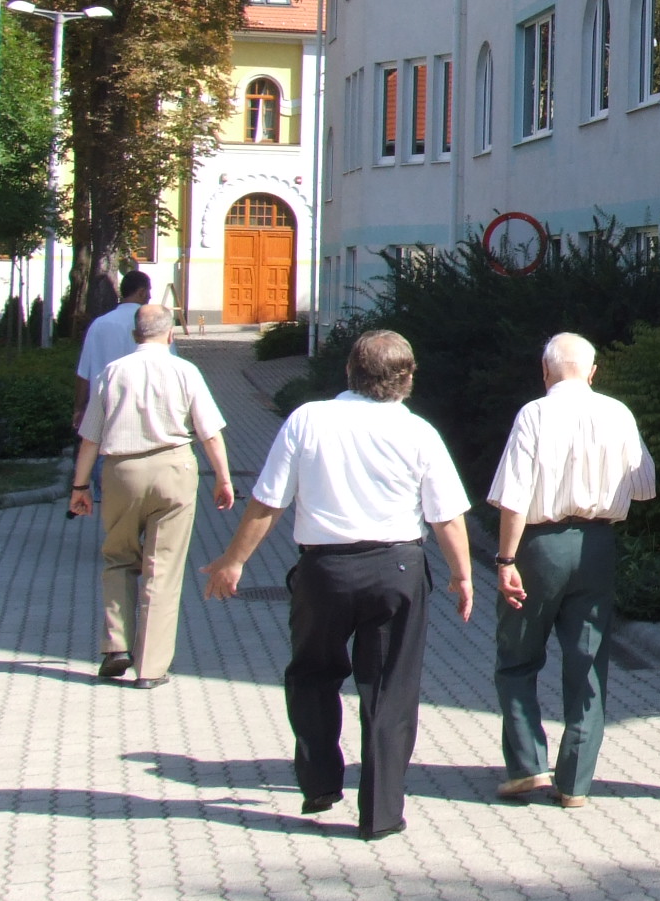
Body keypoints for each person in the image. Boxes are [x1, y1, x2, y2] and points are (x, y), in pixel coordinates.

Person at [199, 330, 473, 841]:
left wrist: (234, 561)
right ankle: (381, 814)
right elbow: (447, 516)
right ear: (408, 378)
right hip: (396, 570)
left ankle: (321, 780)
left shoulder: (308, 419)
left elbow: (269, 500)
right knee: (389, 691)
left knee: (311, 675)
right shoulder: (419, 432)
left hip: (324, 572)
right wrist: (462, 575)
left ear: (349, 370)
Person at [486, 332, 653, 808]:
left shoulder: (534, 414)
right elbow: (644, 485)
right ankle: (575, 782)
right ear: (593, 372)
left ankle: (527, 765)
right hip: (598, 544)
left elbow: (515, 495)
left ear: (545, 371)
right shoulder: (618, 413)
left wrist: (505, 559)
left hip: (539, 545)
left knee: (518, 656)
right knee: (588, 660)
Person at [69, 303, 236, 687]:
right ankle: (150, 668)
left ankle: (116, 646)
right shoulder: (185, 371)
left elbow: (90, 437)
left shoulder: (113, 372)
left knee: (118, 557)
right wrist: (223, 478)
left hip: (121, 472)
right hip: (174, 470)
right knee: (163, 568)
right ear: (170, 334)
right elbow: (210, 433)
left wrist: (80, 486)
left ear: (135, 335)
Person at [73, 270, 155, 433]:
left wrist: (79, 409)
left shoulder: (98, 324)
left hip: (103, 410)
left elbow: (83, 374)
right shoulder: (153, 325)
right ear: (142, 292)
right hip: (143, 412)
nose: (150, 296)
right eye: (149, 291)